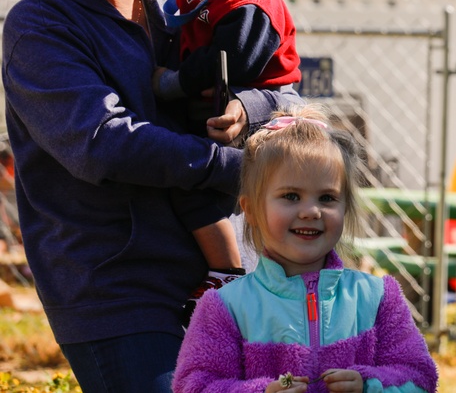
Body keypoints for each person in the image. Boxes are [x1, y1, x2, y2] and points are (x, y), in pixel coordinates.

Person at [3, 0, 299, 393]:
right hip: (118, 292)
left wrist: (251, 104)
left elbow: (287, 92)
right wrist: (245, 171)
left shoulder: (181, 1)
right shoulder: (42, 25)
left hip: (229, 279)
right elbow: (104, 143)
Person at [172, 105, 439, 393]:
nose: (311, 211)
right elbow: (195, 386)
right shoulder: (226, 308)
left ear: (345, 207)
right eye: (291, 196)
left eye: (327, 197)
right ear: (250, 209)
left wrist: (369, 386)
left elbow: (420, 378)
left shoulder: (378, 299)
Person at [152, 0, 303, 316]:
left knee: (201, 187)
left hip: (265, 117)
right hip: (218, 114)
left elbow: (230, 59)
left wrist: (170, 83)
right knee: (192, 188)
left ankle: (227, 270)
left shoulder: (253, 4)